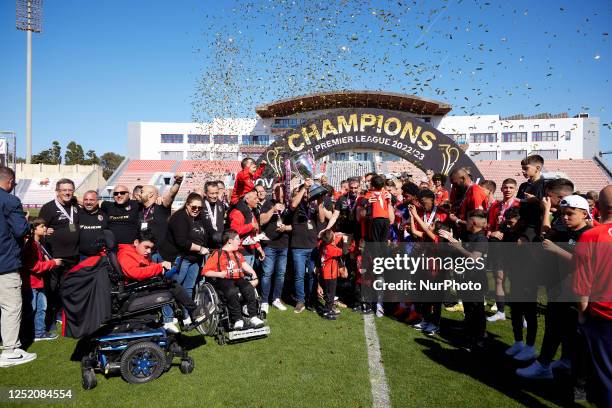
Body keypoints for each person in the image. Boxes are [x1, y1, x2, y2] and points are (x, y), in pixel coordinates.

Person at [517, 195, 591, 385]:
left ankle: (543, 365)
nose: (565, 218)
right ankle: (565, 361)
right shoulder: (567, 231)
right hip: (559, 285)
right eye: (563, 214)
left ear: (584, 214)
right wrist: (546, 210)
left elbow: (585, 262)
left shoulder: (587, 235)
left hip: (574, 290)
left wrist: (557, 250)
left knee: (556, 328)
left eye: (570, 214)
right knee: (563, 328)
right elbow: (546, 233)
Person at [118, 230, 207, 333]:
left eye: (151, 248)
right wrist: (159, 267)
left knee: (171, 283)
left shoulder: (136, 254)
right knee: (172, 286)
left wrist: (160, 267)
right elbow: (134, 273)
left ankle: (187, 316)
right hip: (133, 293)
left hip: (139, 288)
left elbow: (148, 266)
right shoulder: (125, 254)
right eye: (146, 247)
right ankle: (192, 313)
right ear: (136, 242)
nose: (149, 251)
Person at [572, 185, 612, 407]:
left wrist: (582, 316)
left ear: (597, 207)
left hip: (603, 317)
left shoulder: (590, 236)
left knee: (605, 376)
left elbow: (582, 287)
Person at [0, 166, 37, 367]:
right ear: (10, 181)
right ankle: (10, 351)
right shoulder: (10, 200)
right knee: (11, 307)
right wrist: (26, 221)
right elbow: (20, 229)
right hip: (4, 263)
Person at [439, 209, 488, 351]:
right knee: (468, 309)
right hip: (465, 279)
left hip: (476, 280)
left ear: (472, 223)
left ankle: (478, 339)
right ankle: (469, 334)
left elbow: (474, 258)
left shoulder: (481, 239)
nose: (464, 222)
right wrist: (452, 242)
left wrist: (458, 246)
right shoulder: (468, 235)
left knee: (476, 310)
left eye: (467, 220)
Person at [160, 193, 210, 324]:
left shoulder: (199, 217)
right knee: (175, 287)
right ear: (187, 205)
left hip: (195, 259)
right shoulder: (179, 217)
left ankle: (186, 315)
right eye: (194, 207)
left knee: (188, 288)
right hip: (179, 258)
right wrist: (200, 249)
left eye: (200, 208)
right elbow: (182, 242)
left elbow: (208, 233)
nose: (196, 210)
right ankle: (168, 319)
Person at [201, 229, 264, 330]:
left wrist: (255, 277)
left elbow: (245, 266)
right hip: (224, 279)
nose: (240, 241)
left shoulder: (238, 254)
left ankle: (253, 317)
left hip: (238, 278)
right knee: (232, 291)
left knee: (248, 287)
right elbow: (205, 271)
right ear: (230, 241)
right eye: (237, 239)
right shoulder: (217, 254)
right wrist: (219, 274)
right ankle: (237, 319)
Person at [39, 178, 80, 330]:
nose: (67, 193)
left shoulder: (75, 206)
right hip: (54, 256)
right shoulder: (48, 208)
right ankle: (49, 318)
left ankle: (64, 314)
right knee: (52, 288)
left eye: (70, 190)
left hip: (73, 255)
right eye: (64, 190)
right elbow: (39, 229)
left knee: (68, 287)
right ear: (57, 191)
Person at [20, 218, 62, 342]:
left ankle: (39, 333)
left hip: (38, 282)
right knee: (31, 310)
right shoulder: (31, 245)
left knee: (41, 309)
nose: (45, 228)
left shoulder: (38, 243)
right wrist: (53, 263)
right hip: (31, 284)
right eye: (42, 226)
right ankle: (27, 334)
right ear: (34, 229)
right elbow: (34, 266)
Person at [290, 179, 326, 313]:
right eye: (305, 192)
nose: (307, 195)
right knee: (299, 275)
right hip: (298, 247)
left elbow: (322, 219)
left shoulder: (313, 205)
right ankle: (300, 301)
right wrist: (304, 187)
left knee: (312, 275)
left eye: (308, 193)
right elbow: (293, 204)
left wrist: (320, 203)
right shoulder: (296, 204)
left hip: (312, 246)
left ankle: (311, 300)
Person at [487, 178, 520, 322]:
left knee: (517, 281)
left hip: (515, 247)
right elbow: (488, 226)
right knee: (499, 278)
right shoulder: (495, 206)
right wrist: (491, 233)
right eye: (505, 187)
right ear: (501, 189)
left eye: (511, 187)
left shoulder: (520, 205)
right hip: (499, 246)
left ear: (515, 189)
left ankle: (521, 314)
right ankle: (500, 311)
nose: (508, 190)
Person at [259, 183, 292, 313]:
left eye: (277, 190)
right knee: (267, 274)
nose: (274, 193)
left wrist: (286, 228)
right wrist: (273, 209)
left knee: (280, 274)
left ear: (284, 192)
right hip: (269, 245)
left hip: (283, 245)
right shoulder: (268, 204)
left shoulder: (290, 205)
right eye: (273, 190)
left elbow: (295, 226)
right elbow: (261, 221)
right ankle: (264, 301)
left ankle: (276, 298)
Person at [139, 177, 182, 260]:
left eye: (142, 192)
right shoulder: (139, 209)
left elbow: (171, 194)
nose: (139, 194)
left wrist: (178, 182)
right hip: (144, 253)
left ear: (150, 194)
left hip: (161, 254)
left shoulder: (161, 207)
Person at [228, 191, 265, 266]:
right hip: (241, 250)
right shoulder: (237, 212)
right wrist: (251, 226)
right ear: (247, 200)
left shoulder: (251, 212)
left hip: (251, 249)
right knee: (244, 276)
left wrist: (259, 248)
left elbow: (254, 233)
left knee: (249, 276)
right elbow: (234, 231)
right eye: (255, 198)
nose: (258, 200)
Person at [517, 154, 546, 239]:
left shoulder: (545, 185)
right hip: (521, 223)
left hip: (535, 225)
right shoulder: (523, 186)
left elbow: (549, 207)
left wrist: (535, 200)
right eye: (522, 168)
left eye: (526, 168)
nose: (523, 171)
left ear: (538, 168)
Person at [318, 230, 346, 320]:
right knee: (331, 295)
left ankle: (329, 309)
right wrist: (345, 240)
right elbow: (344, 251)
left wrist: (337, 236)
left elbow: (331, 240)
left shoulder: (323, 244)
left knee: (329, 294)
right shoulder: (331, 249)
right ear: (331, 239)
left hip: (326, 274)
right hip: (330, 275)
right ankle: (327, 312)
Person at [78, 190, 108, 259]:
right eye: (86, 200)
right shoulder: (77, 215)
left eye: (91, 200)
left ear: (97, 201)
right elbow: (71, 230)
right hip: (81, 256)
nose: (88, 202)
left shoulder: (105, 214)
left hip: (100, 256)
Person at [202, 181, 226, 249]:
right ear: (205, 193)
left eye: (216, 193)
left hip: (220, 244)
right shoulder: (200, 206)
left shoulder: (220, 204)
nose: (215, 196)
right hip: (206, 245)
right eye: (212, 193)